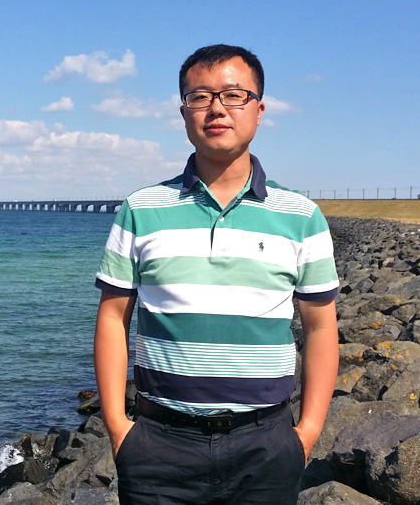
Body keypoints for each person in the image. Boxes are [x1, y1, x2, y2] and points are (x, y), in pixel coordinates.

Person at [93, 44, 340, 504]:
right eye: (200, 97)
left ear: (259, 110)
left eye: (233, 95)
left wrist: (306, 432)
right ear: (183, 113)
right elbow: (112, 318)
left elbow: (321, 327)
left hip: (266, 445)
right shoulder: (140, 209)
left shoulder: (301, 216)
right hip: (158, 445)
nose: (216, 108)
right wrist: (118, 427)